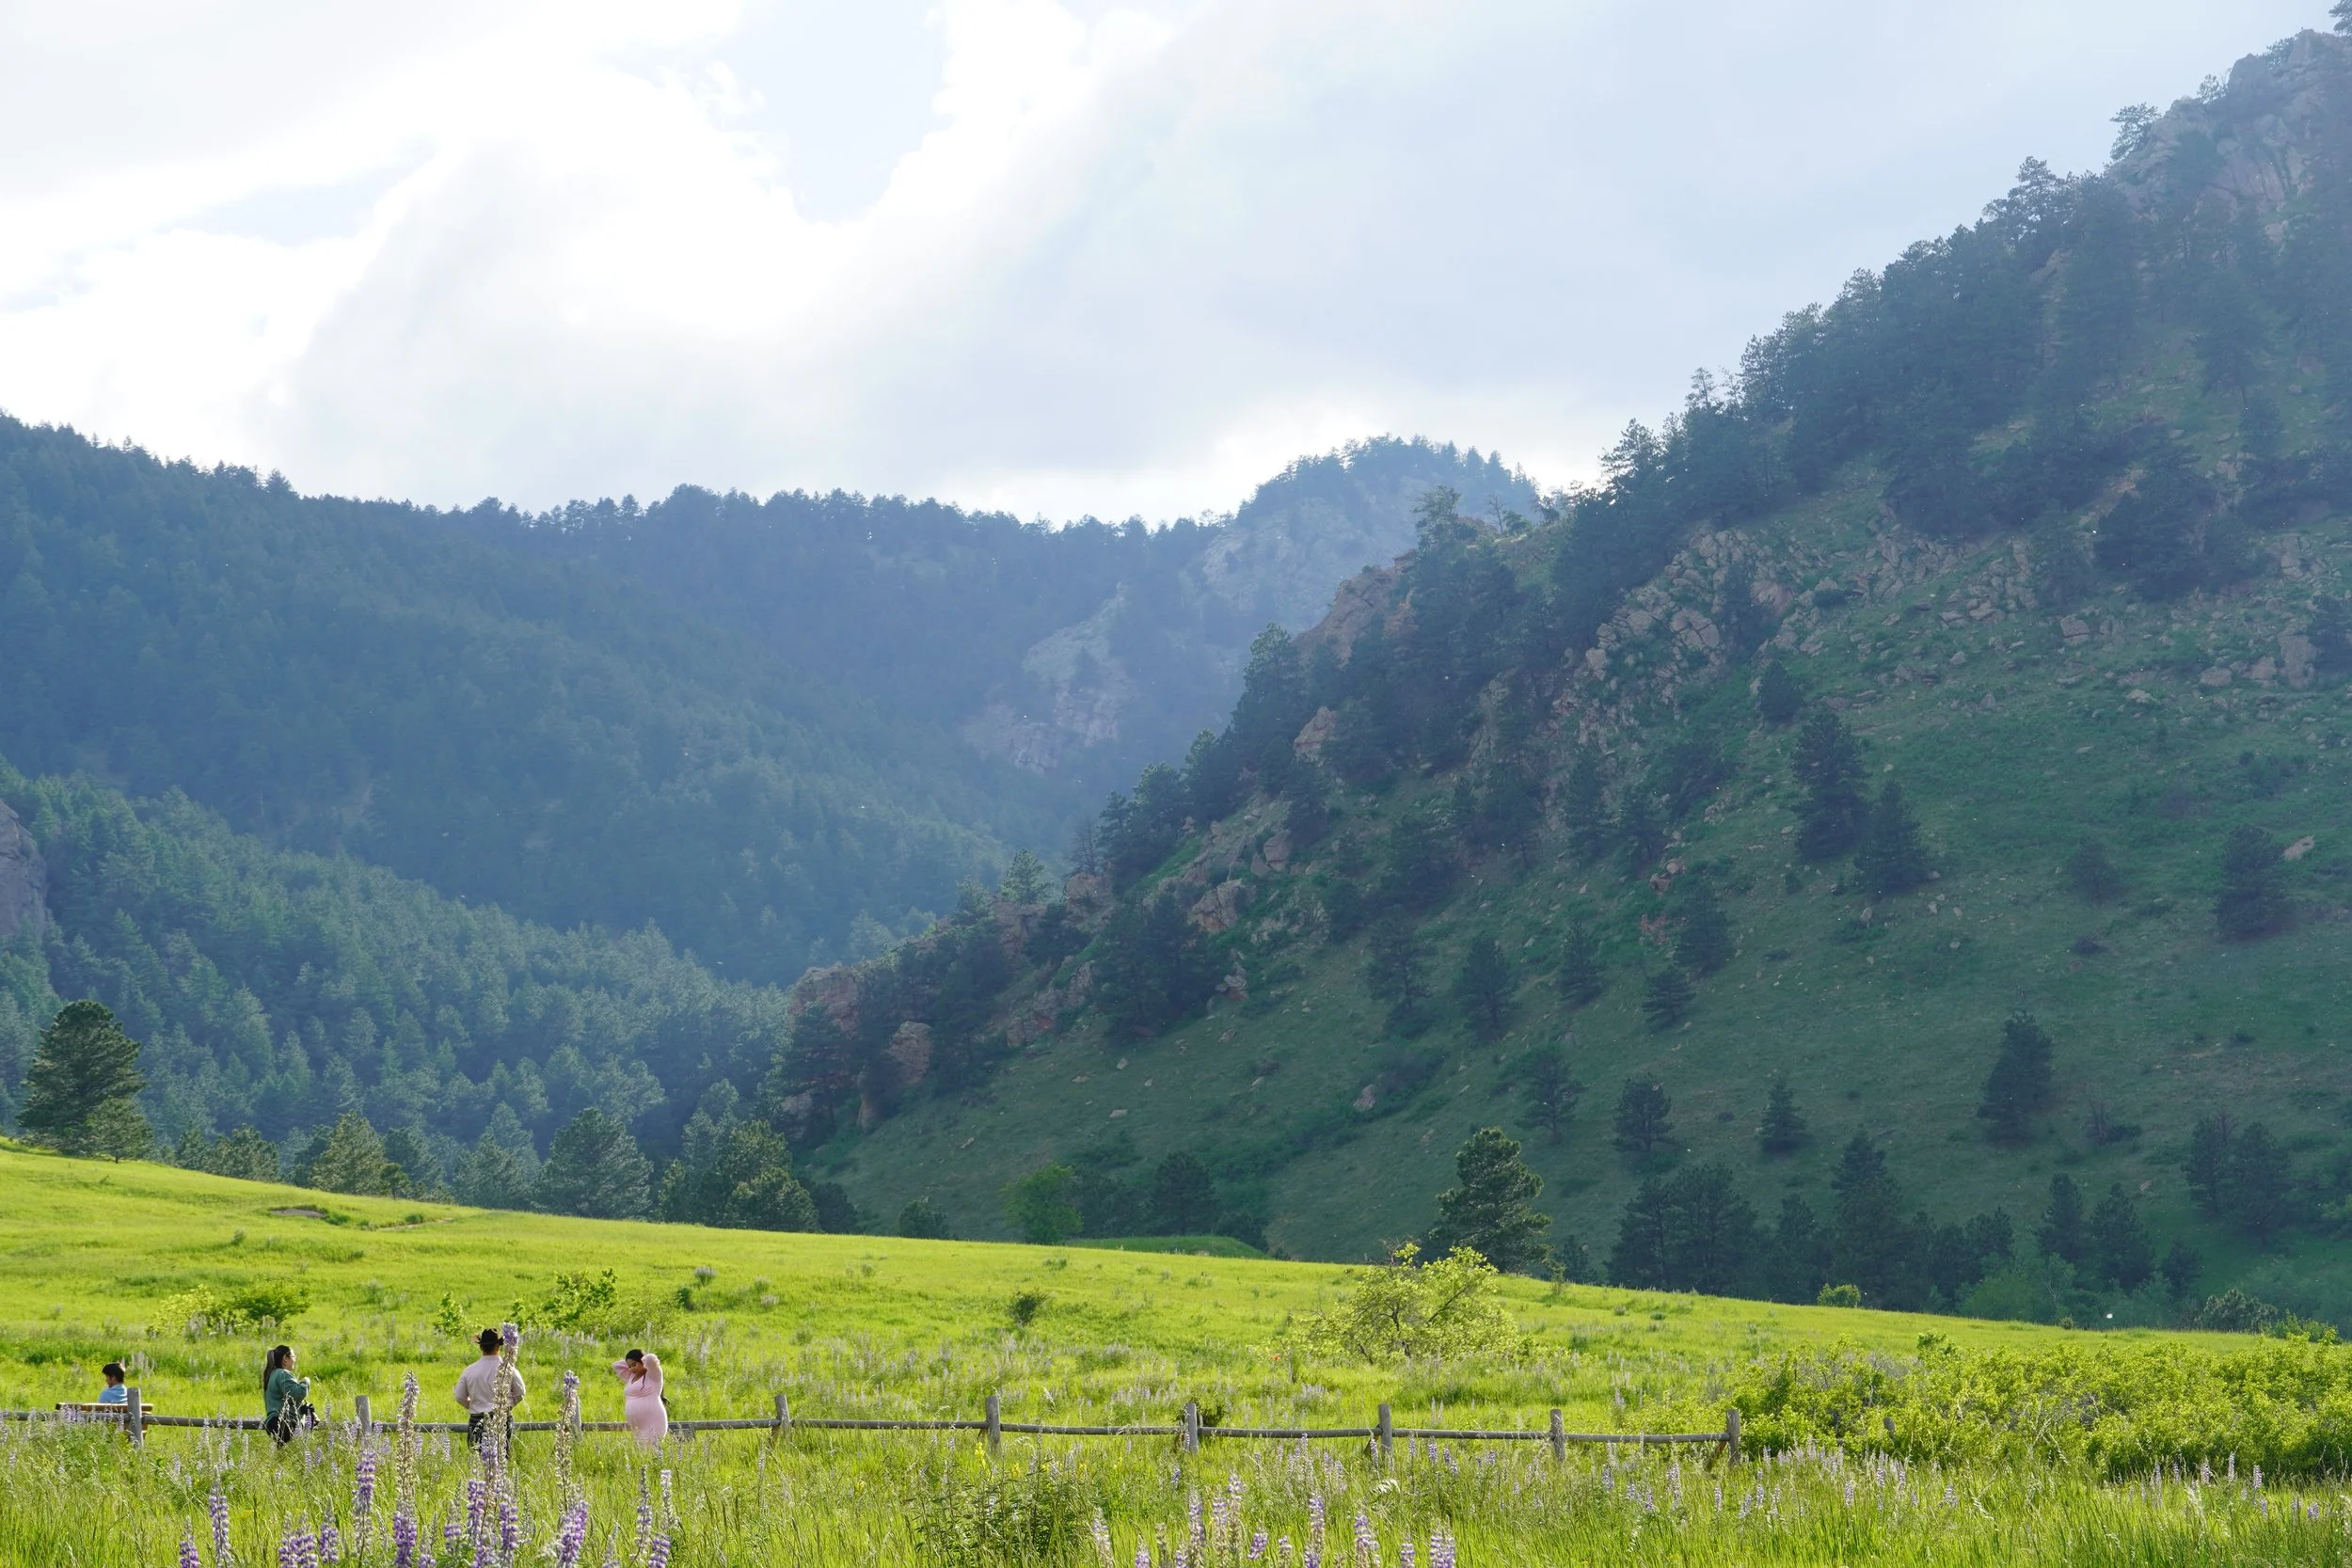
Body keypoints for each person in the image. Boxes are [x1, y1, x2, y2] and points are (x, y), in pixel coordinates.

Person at [454, 1327, 525, 1449]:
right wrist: (506, 1405)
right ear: (499, 1347)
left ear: (481, 1347)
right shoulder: (509, 1369)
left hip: (477, 1420)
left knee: (476, 1459)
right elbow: (520, 1393)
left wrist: (473, 1405)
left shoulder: (470, 1370)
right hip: (502, 1418)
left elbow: (460, 1396)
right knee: (501, 1458)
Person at [611, 1348, 666, 1447]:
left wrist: (642, 1358)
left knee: (651, 1452)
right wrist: (632, 1362)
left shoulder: (653, 1376)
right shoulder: (631, 1376)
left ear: (643, 1362)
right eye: (629, 1366)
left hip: (653, 1422)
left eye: (634, 1365)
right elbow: (616, 1365)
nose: (631, 1369)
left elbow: (650, 1359)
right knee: (641, 1454)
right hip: (638, 1427)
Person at [262, 1345, 311, 1444]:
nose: (295, 1360)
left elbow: (288, 1399)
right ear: (285, 1358)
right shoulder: (282, 1373)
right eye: (293, 1356)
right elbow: (298, 1394)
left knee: (282, 1456)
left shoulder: (272, 1374)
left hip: (272, 1423)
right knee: (293, 1455)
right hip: (284, 1423)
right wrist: (306, 1381)